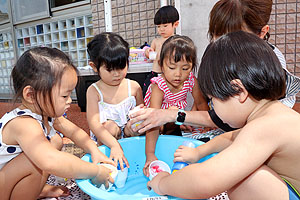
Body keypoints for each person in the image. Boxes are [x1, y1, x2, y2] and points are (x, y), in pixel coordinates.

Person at [147, 31, 300, 199]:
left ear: (239, 91)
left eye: (213, 99)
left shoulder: (265, 127)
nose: (213, 108)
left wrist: (163, 183)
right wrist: (199, 152)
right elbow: (231, 137)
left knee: (248, 180)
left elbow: (205, 179)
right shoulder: (273, 116)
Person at [0, 47, 115, 200]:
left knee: (54, 141)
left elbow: (75, 132)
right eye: (64, 95)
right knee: (37, 161)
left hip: (9, 177)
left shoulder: (45, 113)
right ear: (31, 95)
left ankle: (38, 190)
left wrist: (94, 150)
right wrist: (95, 171)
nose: (69, 101)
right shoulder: (23, 124)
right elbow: (50, 160)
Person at [143, 35, 209, 177]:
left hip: (175, 117)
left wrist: (208, 127)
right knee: (166, 121)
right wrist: (150, 154)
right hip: (154, 123)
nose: (178, 74)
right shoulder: (158, 86)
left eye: (185, 68)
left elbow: (201, 103)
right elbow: (153, 121)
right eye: (172, 67)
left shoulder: (191, 79)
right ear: (161, 65)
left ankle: (178, 126)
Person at [86, 32, 144, 169]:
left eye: (121, 67)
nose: (117, 74)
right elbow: (94, 124)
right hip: (105, 137)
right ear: (94, 67)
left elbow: (142, 113)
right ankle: (108, 163)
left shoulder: (134, 87)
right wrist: (113, 144)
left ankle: (135, 156)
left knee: (139, 123)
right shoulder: (94, 91)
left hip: (129, 136)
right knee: (110, 127)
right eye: (110, 69)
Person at [143, 5, 179, 97]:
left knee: (167, 97)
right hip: (154, 74)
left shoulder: (176, 41)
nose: (161, 29)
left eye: (165, 26)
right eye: (159, 26)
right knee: (148, 94)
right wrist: (148, 52)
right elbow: (149, 56)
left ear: (175, 24)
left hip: (168, 76)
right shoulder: (156, 41)